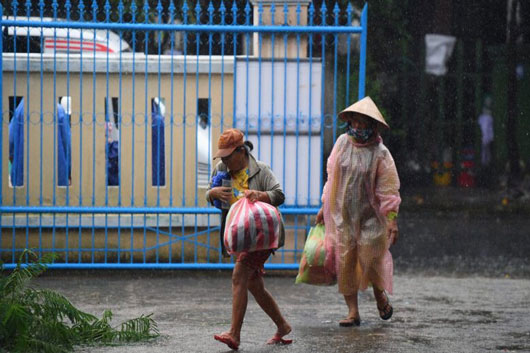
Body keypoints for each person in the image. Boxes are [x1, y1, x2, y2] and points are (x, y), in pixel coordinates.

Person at [316, 96, 401, 327]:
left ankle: (380, 295)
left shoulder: (380, 153)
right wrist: (324, 205)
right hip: (342, 215)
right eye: (356, 122)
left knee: (370, 259)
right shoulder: (342, 143)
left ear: (372, 126)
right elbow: (332, 177)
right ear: (350, 122)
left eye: (364, 123)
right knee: (345, 262)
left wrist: (391, 219)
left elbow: (389, 189)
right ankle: (353, 312)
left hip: (371, 217)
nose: (359, 127)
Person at [207, 128, 292, 350]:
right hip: (238, 237)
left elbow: (279, 195)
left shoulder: (261, 170)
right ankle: (282, 326)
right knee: (253, 283)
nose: (224, 161)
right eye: (222, 157)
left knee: (239, 275)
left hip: (261, 235)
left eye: (228, 156)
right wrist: (212, 194)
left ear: (241, 151)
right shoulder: (221, 169)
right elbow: (210, 192)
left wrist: (260, 196)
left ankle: (234, 333)